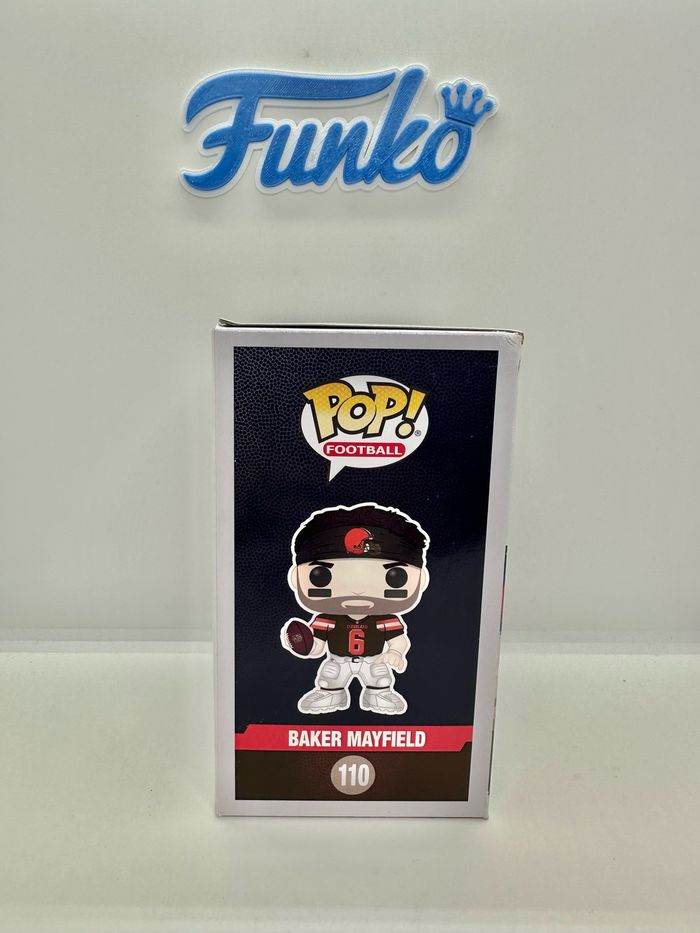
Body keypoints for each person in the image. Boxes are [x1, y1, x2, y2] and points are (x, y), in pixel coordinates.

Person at [281, 502, 430, 715]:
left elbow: (399, 640)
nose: (357, 590)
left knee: (380, 678)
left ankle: (378, 693)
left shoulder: (385, 619)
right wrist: (300, 643)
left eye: (394, 576)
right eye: (321, 576)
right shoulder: (327, 618)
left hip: (373, 660)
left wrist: (395, 652)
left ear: (421, 579)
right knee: (330, 677)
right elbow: (318, 647)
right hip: (338, 660)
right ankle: (331, 693)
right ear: (295, 578)